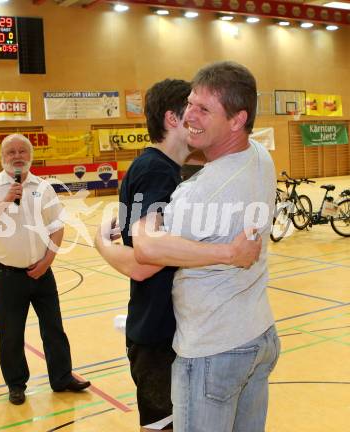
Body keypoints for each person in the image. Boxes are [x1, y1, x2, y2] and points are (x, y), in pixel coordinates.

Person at [95, 79, 262, 431]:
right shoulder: (156, 170)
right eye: (193, 109)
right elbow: (144, 262)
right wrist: (102, 244)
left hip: (167, 329)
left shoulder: (169, 170)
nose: (199, 119)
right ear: (174, 118)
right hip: (157, 335)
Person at [129, 61, 280, 432]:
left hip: (213, 351)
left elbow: (145, 252)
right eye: (189, 104)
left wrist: (108, 237)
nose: (188, 116)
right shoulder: (260, 156)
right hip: (257, 335)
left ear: (236, 120)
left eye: (203, 109)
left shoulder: (199, 193)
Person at [0, 133, 90, 406]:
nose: (17, 156)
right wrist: (3, 200)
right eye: (11, 152)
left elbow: (57, 226)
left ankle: (62, 378)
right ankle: (16, 384)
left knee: (54, 328)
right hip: (6, 275)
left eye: (22, 151)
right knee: (11, 333)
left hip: (42, 272)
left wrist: (48, 261)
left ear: (30, 156)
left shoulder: (43, 188)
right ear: (2, 158)